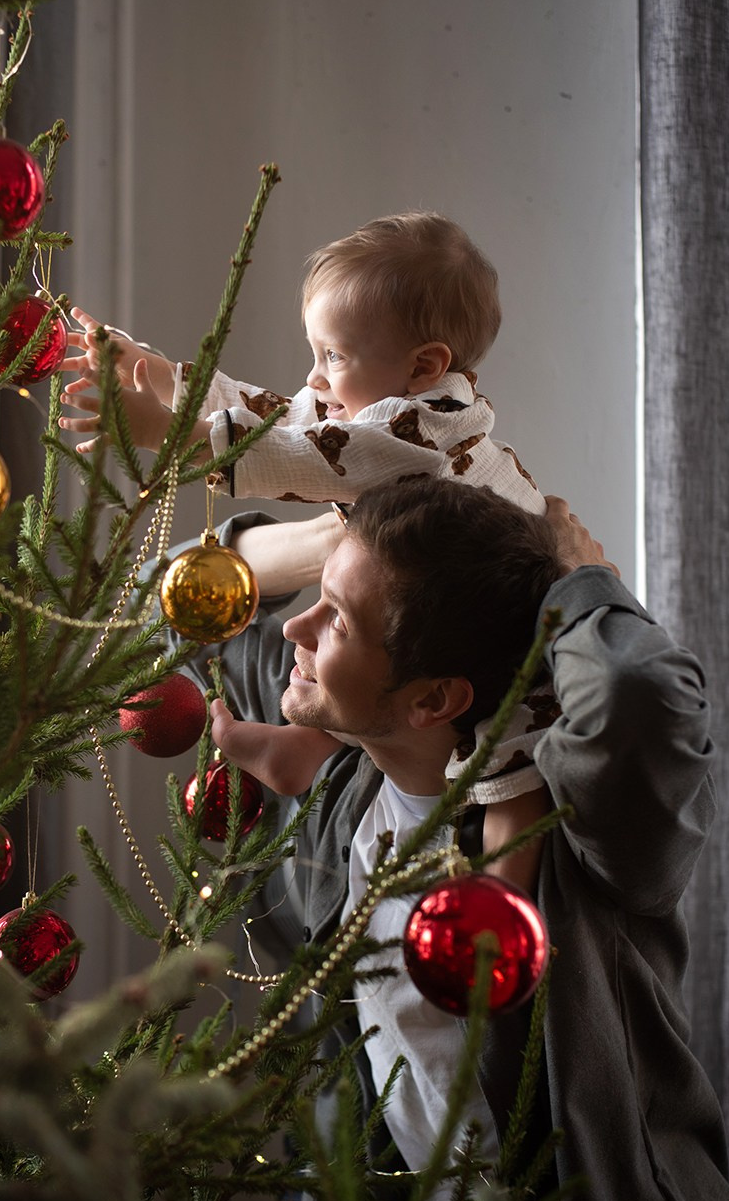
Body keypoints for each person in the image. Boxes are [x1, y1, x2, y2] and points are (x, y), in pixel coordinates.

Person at [177, 479, 729, 1201]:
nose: (294, 630)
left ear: (432, 700)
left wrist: (576, 579)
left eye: (335, 621)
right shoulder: (351, 792)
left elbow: (633, 692)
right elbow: (180, 601)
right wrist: (335, 543)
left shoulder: (576, 836)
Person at [60, 211, 550, 797]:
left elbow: (297, 456)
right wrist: (161, 375)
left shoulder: (415, 436)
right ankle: (312, 747)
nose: (314, 378)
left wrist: (170, 434)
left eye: (333, 357)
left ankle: (341, 761)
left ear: (424, 366)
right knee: (359, 653)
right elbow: (285, 417)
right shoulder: (388, 407)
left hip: (505, 630)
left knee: (501, 758)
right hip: (434, 621)